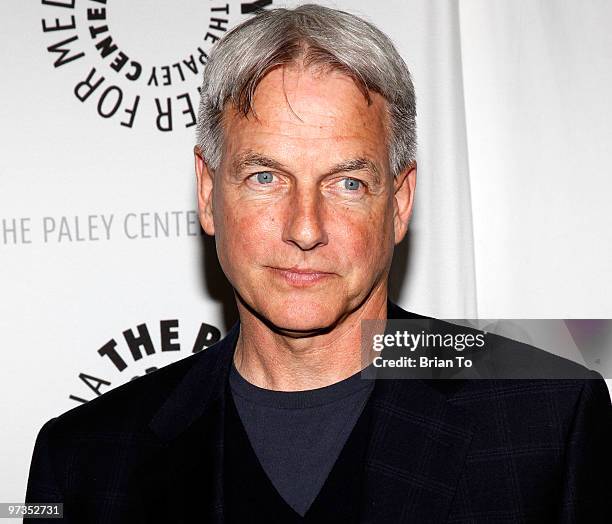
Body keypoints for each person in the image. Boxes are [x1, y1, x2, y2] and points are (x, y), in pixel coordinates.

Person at [26, 4, 611, 523]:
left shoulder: (547, 421)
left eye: (348, 183)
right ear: (207, 193)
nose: (305, 228)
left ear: (400, 201)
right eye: (265, 177)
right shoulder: (83, 462)